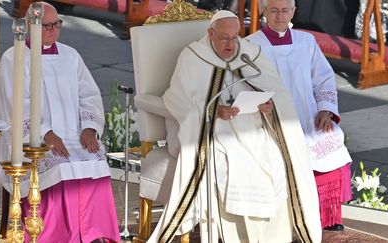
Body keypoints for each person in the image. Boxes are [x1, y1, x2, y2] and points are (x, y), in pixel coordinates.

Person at [148, 10, 322, 243]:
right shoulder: (193, 56)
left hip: (251, 125)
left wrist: (269, 107)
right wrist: (213, 111)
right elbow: (177, 99)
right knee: (234, 161)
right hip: (209, 129)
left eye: (235, 38)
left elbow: (277, 93)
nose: (231, 44)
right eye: (224, 38)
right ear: (211, 34)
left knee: (276, 157)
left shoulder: (250, 54)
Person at [0, 2, 120, 242]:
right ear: (31, 26)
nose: (54, 30)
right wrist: (45, 134)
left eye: (57, 24)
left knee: (95, 160)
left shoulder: (70, 55)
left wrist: (89, 128)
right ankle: (55, 235)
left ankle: (95, 233)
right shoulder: (15, 57)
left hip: (74, 135)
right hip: (35, 139)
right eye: (47, 26)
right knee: (58, 166)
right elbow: (16, 103)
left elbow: (89, 95)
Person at [247, 0, 353, 231]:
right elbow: (243, 84)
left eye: (285, 10)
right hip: (271, 118)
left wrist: (326, 109)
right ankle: (287, 220)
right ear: (264, 12)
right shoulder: (250, 45)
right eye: (273, 10)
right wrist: (259, 104)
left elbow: (323, 78)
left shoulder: (307, 42)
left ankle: (326, 217)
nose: (279, 16)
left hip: (308, 113)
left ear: (294, 12)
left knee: (330, 145)